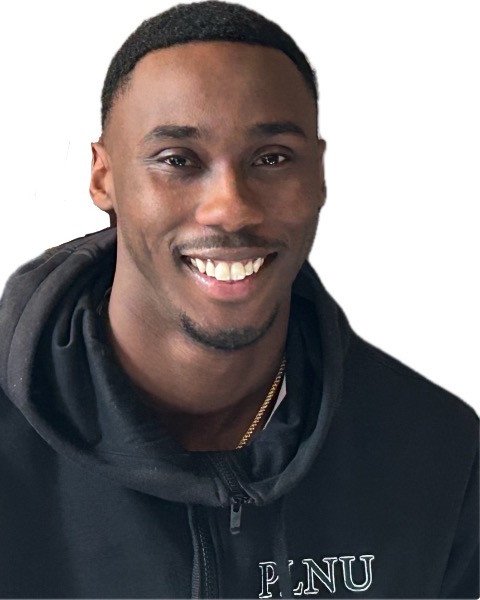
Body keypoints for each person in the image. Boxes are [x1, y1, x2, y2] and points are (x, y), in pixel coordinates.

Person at [0, 1, 477, 598]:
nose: (231, 208)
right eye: (177, 160)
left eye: (272, 158)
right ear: (104, 177)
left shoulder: (436, 449)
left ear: (319, 175)